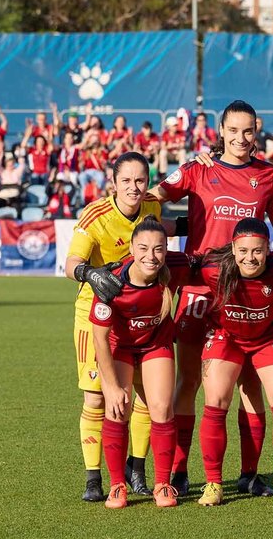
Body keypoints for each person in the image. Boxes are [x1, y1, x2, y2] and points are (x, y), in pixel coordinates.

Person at [148, 100, 273, 497]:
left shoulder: (268, 175)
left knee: (250, 384)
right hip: (201, 292)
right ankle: (180, 472)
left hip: (248, 295)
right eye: (234, 130)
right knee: (192, 380)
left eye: (249, 131)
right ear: (221, 131)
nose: (242, 138)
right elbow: (151, 198)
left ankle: (249, 474)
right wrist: (180, 223)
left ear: (257, 131)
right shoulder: (199, 169)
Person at [196, 218, 273, 507]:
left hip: (272, 337)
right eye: (243, 251)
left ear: (269, 250)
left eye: (258, 251)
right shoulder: (212, 267)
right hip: (227, 337)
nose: (250, 258)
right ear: (233, 248)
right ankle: (213, 483)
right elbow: (170, 267)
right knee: (215, 401)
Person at [64, 152, 164, 502]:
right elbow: (71, 262)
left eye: (140, 180)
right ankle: (94, 478)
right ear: (114, 182)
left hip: (141, 314)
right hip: (97, 314)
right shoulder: (96, 215)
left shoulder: (152, 207)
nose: (134, 188)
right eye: (127, 181)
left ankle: (137, 469)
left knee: (148, 396)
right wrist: (89, 273)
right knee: (96, 397)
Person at [92, 216, 197, 509]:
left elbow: (211, 261)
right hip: (119, 348)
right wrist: (111, 387)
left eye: (159, 249)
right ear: (131, 248)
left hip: (155, 346)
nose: (151, 256)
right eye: (143, 248)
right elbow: (99, 339)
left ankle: (162, 484)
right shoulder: (110, 282)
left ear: (167, 249)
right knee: (118, 408)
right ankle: (117, 486)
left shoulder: (175, 267)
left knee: (162, 408)